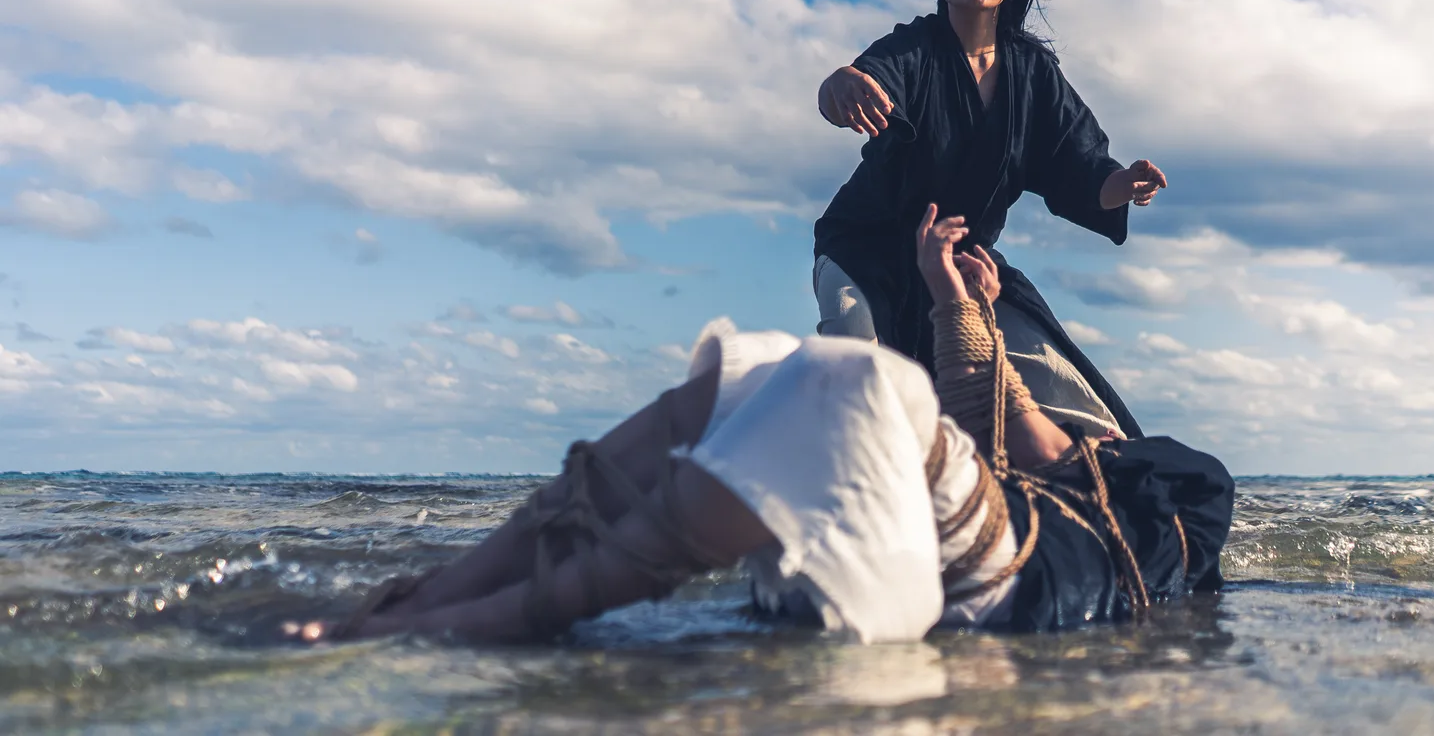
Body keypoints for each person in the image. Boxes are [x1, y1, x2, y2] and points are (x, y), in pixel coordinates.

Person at [304, 208, 1233, 644]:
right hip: (928, 560)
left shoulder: (1184, 483)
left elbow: (1028, 443)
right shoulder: (1078, 493)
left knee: (854, 377)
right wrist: (960, 303)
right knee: (763, 367)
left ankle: (473, 613)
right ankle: (435, 596)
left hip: (990, 583)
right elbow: (986, 441)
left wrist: (975, 321)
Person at [815, 0, 1166, 442]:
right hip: (867, 250)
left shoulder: (1032, 72)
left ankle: (1104, 500)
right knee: (856, 359)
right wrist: (840, 85)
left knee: (1061, 385)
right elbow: (856, 85)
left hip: (965, 263)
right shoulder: (912, 49)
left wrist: (1123, 184)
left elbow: (1079, 169)